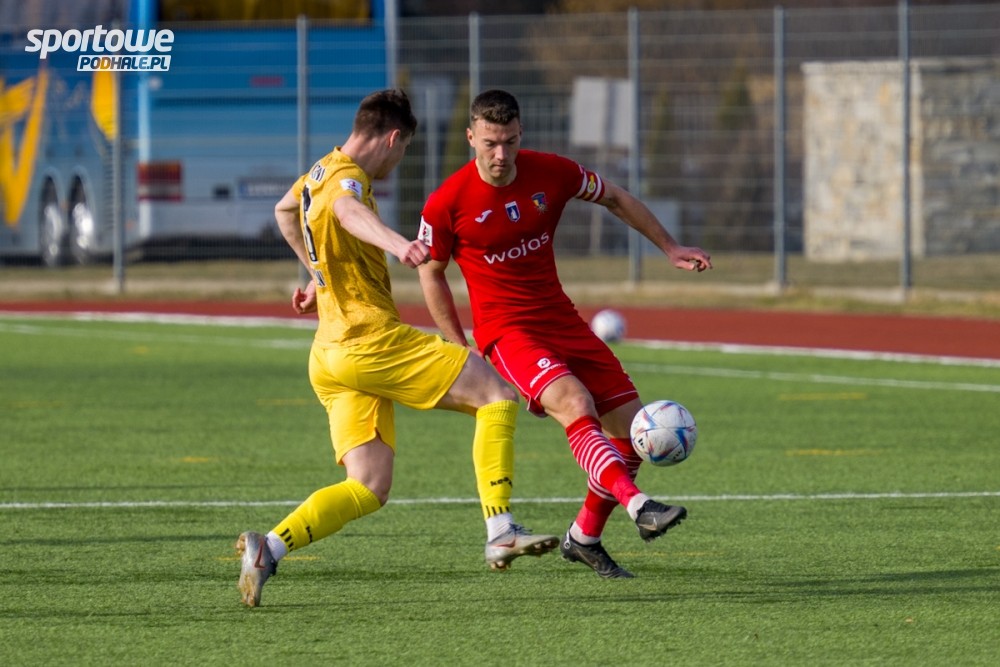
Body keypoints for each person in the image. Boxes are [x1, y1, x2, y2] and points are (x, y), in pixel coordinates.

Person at [235, 89, 557, 608]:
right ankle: (501, 529)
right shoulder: (348, 179)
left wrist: (318, 278)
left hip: (329, 356)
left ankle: (267, 549)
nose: (399, 160)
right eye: (404, 149)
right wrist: (399, 243)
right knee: (497, 395)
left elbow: (285, 210)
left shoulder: (317, 171)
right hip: (369, 342)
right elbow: (346, 212)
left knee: (368, 486)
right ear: (392, 139)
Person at [417, 89, 713, 579]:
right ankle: (639, 505)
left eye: (509, 141)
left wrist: (670, 247)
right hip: (507, 333)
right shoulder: (447, 202)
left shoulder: (552, 172)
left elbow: (615, 197)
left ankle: (584, 537)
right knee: (575, 403)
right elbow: (431, 273)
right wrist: (459, 344)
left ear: (521, 134)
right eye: (490, 143)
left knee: (631, 432)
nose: (500, 154)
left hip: (563, 320)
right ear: (471, 137)